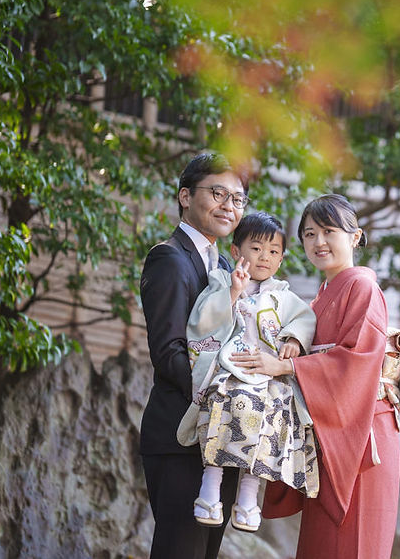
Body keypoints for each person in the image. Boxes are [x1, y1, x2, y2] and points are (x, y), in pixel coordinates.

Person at [232, 193, 400, 559]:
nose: (318, 242)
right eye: (309, 234)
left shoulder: (363, 287)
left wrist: (287, 366)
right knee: (321, 544)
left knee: (353, 542)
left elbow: (356, 362)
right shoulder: (320, 297)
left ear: (355, 237)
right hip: (329, 428)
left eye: (329, 231)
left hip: (362, 432)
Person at [177, 212, 319, 533]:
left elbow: (304, 319)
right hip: (230, 367)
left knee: (276, 411)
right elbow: (202, 322)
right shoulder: (221, 281)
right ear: (236, 251)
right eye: (256, 249)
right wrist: (232, 293)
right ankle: (210, 486)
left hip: (268, 376)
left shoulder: (284, 295)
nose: (264, 257)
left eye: (273, 251)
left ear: (281, 259)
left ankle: (249, 494)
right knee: (225, 397)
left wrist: (294, 339)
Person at [139, 151, 248, 559]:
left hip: (220, 442)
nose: (229, 206)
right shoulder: (168, 257)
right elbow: (169, 352)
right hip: (180, 437)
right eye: (217, 193)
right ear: (185, 196)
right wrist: (221, 399)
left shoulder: (225, 265)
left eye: (238, 199)